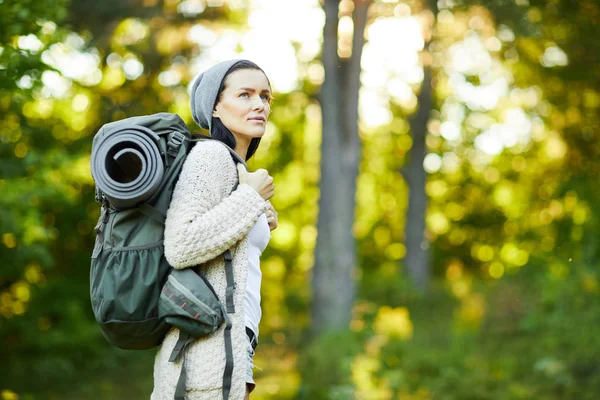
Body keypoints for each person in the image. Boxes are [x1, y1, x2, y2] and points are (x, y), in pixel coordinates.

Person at [151, 59, 278, 400]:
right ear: (216, 107)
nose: (259, 105)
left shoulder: (235, 168)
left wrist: (258, 214)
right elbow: (180, 244)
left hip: (230, 349)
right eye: (244, 94)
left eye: (265, 97)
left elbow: (222, 246)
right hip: (202, 359)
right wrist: (251, 198)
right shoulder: (210, 156)